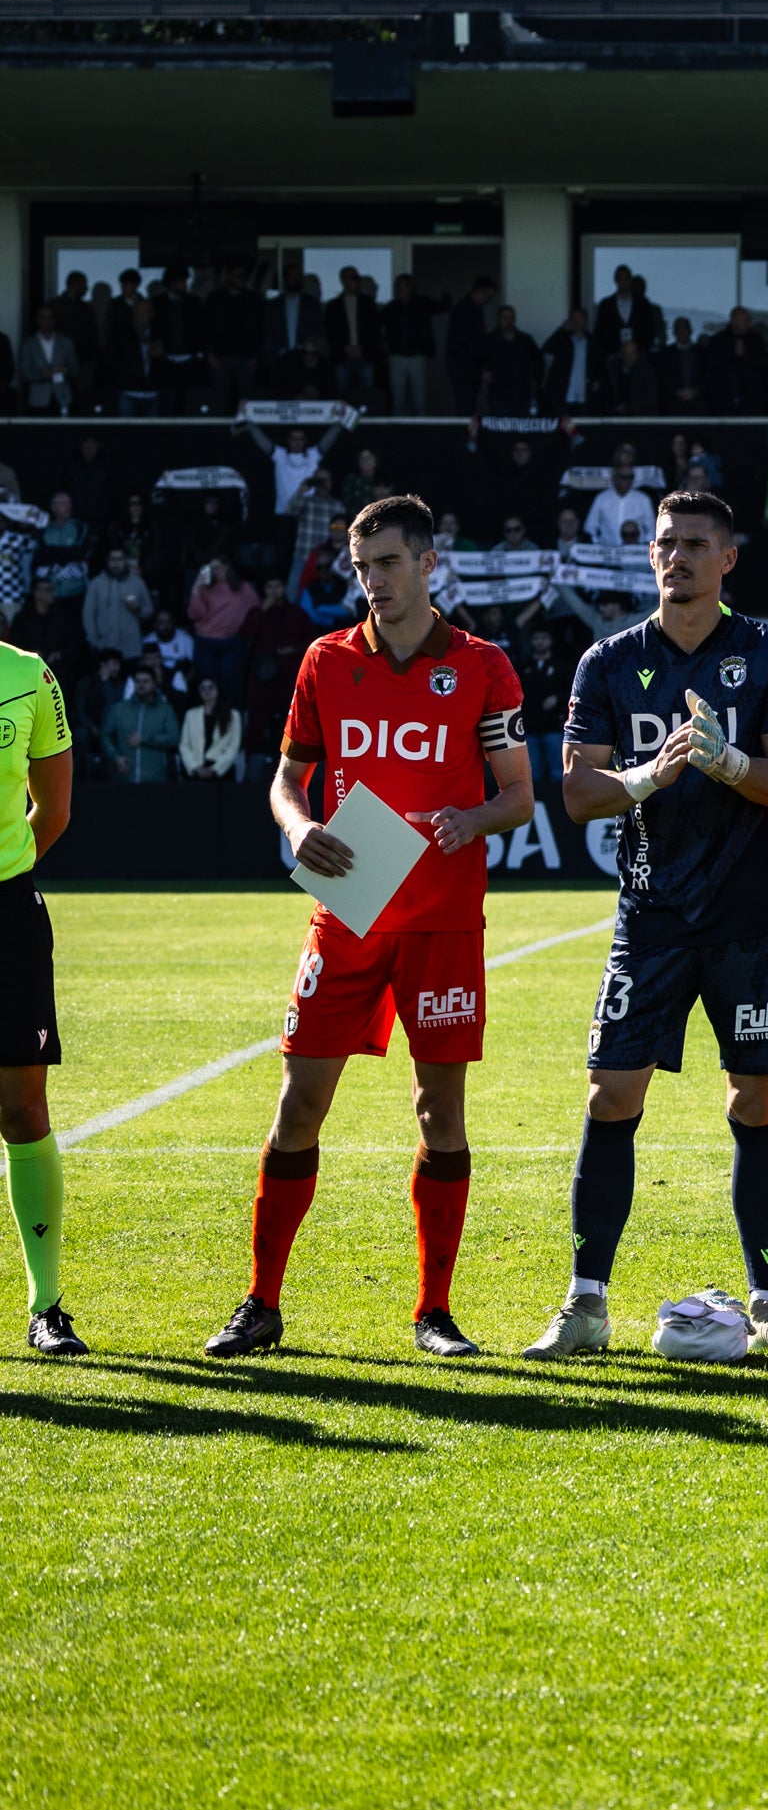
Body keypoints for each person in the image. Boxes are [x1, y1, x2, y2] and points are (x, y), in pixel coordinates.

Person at [203, 498, 535, 1360]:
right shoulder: (327, 659)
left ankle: (435, 1313)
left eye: (388, 563)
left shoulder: (483, 665)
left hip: (442, 922)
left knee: (440, 1112)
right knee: (298, 1104)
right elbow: (287, 778)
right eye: (361, 567)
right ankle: (261, 1303)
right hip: (348, 906)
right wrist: (298, 827)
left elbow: (519, 797)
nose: (373, 582)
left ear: (428, 563)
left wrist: (473, 818)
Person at [520, 492, 768, 1363]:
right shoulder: (609, 661)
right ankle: (585, 1304)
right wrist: (649, 776)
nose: (676, 557)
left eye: (694, 543)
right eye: (664, 544)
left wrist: (725, 760)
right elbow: (579, 794)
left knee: (756, 1099)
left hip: (749, 917)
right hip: (649, 915)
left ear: (728, 558)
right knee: (611, 1095)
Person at [0, 631, 79, 1353]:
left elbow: (51, 812)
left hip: (7, 917)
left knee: (23, 1109)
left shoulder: (28, 675)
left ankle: (47, 1307)